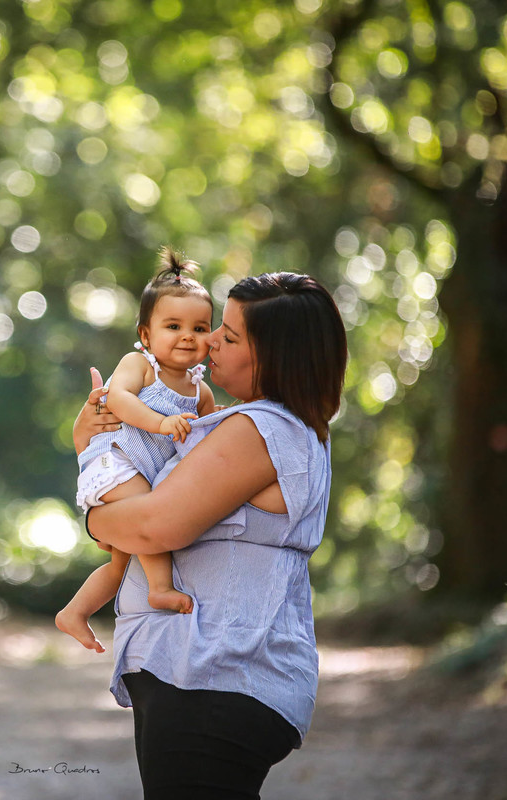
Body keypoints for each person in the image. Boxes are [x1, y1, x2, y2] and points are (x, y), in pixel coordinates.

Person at [71, 271, 347, 799]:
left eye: (231, 335)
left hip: (214, 675)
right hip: (201, 671)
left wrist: (95, 517)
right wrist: (96, 446)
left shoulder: (259, 429)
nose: (210, 339)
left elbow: (154, 524)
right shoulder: (277, 424)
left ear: (276, 357)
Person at [55, 247, 217, 655]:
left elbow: (210, 436)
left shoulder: (201, 391)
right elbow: (118, 399)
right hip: (116, 462)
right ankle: (159, 589)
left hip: (141, 474)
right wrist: (160, 422)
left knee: (120, 563)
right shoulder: (141, 366)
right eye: (173, 326)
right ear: (146, 335)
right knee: (151, 518)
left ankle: (74, 612)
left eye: (200, 328)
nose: (187, 336)